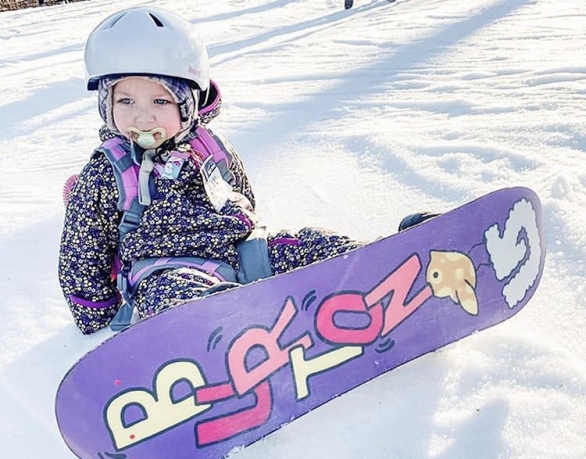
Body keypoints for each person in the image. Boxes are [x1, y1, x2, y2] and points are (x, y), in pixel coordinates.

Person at [58, 6, 370, 335]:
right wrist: (94, 311)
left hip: (240, 252)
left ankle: (376, 264)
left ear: (188, 102)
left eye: (160, 102)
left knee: (302, 245)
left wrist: (246, 234)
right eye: (126, 102)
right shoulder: (108, 169)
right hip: (165, 268)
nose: (143, 117)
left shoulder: (208, 145)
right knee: (176, 297)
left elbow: (241, 193)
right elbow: (82, 247)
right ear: (107, 105)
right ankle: (216, 329)